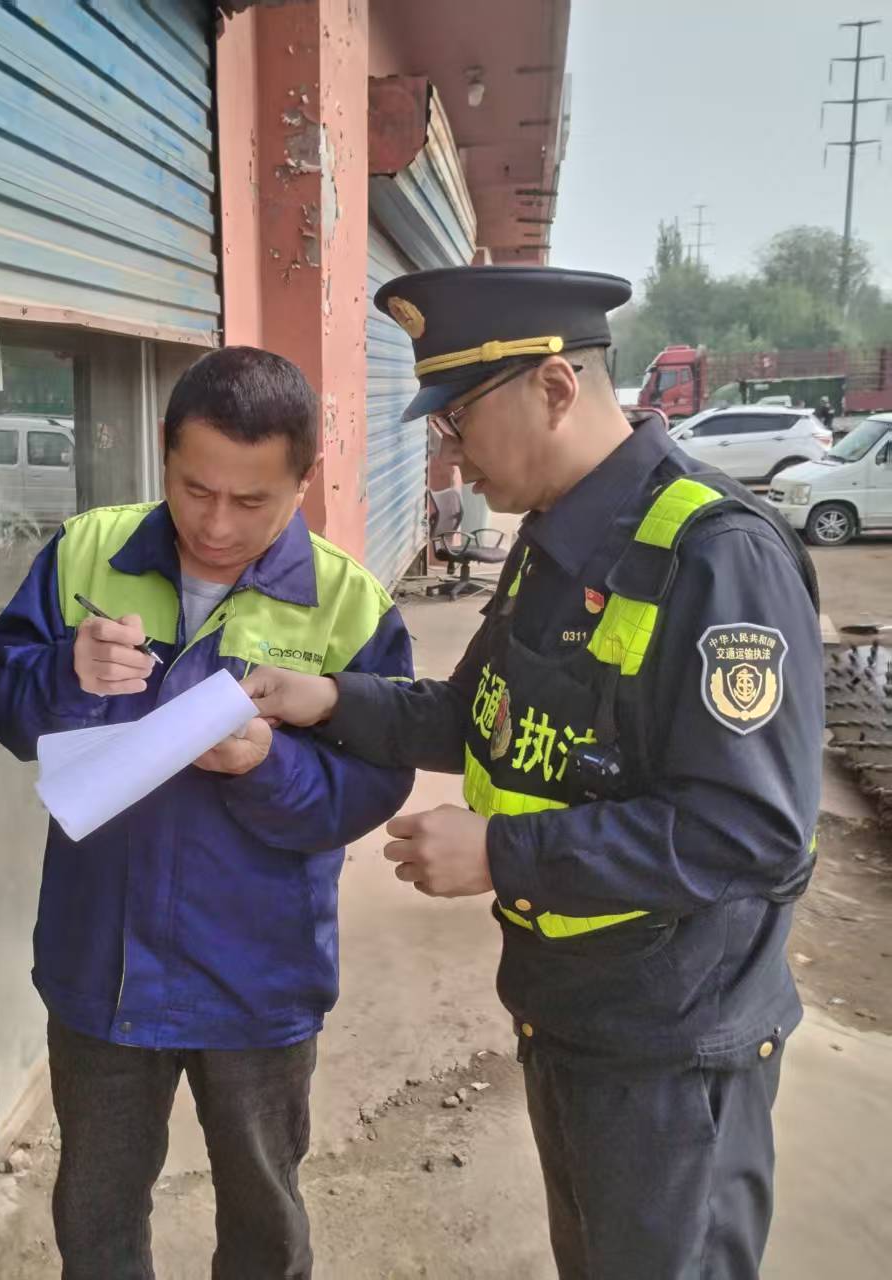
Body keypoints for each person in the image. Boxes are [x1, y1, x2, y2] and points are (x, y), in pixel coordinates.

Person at [245, 267, 824, 1280]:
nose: (447, 450)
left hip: (673, 1049)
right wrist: (332, 699)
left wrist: (500, 853)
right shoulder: (551, 544)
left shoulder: (717, 555)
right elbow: (477, 717)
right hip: (570, 1016)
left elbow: (752, 832)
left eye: (459, 416)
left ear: (555, 387)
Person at [0, 345, 414, 1280]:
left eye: (252, 501)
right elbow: (7, 704)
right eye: (194, 488)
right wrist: (65, 673)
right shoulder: (86, 552)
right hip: (103, 964)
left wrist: (268, 767)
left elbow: (372, 786)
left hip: (259, 973)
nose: (216, 524)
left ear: (303, 483)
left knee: (263, 1216)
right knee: (96, 1212)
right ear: (164, 454)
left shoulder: (349, 604)